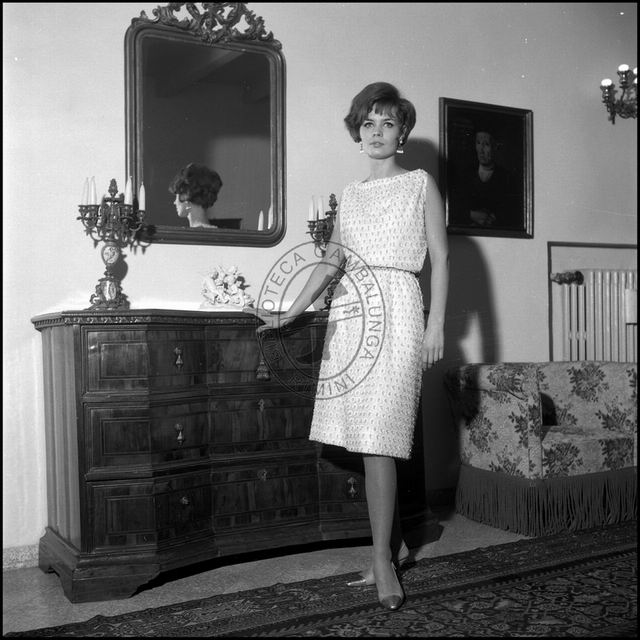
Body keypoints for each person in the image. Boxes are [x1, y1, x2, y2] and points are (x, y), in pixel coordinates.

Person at [248, 82, 449, 611]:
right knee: (366, 438)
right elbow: (332, 258)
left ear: (402, 133)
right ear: (358, 133)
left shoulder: (420, 184)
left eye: (387, 123)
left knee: (381, 437)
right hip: (352, 312)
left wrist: (436, 325)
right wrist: (290, 312)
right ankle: (391, 549)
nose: (376, 132)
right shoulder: (352, 193)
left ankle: (381, 560)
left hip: (400, 308)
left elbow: (442, 257)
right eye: (367, 123)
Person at [456, 126, 521, 228]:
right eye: (478, 143)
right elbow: (455, 210)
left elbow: (512, 213)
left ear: (495, 147)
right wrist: (472, 215)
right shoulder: (465, 174)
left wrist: (493, 219)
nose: (481, 150)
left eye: (486, 144)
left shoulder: (506, 177)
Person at [168, 163, 223, 228]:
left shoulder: (199, 231)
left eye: (177, 195)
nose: (175, 202)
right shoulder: (210, 229)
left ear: (186, 195)